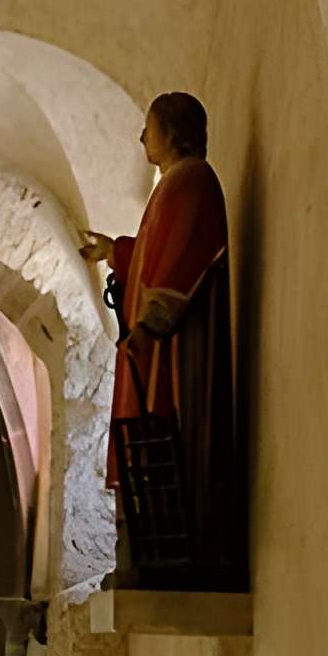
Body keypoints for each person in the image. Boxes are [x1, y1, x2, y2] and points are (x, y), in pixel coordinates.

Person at [79, 92, 245, 588]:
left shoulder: (194, 182)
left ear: (172, 132)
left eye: (148, 127)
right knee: (143, 438)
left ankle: (174, 555)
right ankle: (144, 556)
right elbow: (156, 252)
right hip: (154, 349)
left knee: (168, 437)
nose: (141, 138)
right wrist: (119, 253)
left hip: (174, 352)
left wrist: (152, 323)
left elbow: (183, 259)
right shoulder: (173, 185)